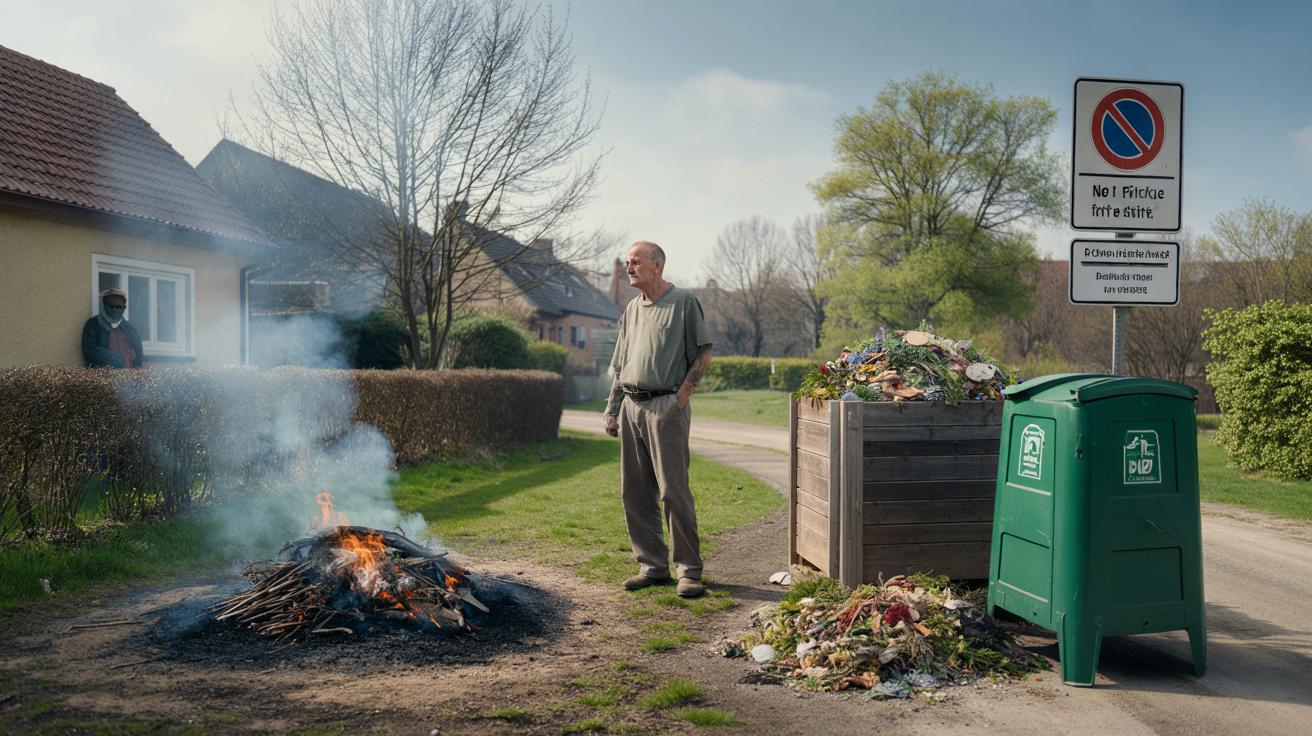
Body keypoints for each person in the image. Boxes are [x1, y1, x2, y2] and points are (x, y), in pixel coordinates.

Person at [603, 241, 713, 598]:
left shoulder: (683, 302)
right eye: (627, 262)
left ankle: (689, 571)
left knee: (672, 492)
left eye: (635, 262)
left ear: (657, 266)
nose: (628, 268)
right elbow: (621, 365)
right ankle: (652, 566)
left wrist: (678, 401)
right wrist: (612, 409)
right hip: (631, 407)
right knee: (634, 493)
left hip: (665, 408)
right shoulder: (632, 308)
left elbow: (703, 353)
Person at [82, 287, 143, 368]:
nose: (114, 310)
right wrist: (114, 358)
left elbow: (138, 355)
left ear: (124, 308)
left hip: (127, 374)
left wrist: (136, 369)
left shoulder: (129, 328)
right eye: (111, 306)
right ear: (104, 306)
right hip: (102, 374)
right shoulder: (94, 324)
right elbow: (90, 349)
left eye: (118, 307)